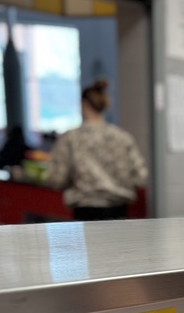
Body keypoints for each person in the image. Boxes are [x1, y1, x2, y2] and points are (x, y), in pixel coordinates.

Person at [46, 79, 147, 221]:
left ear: (83, 105)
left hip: (85, 212)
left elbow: (57, 179)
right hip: (119, 211)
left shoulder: (70, 139)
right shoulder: (123, 138)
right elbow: (141, 176)